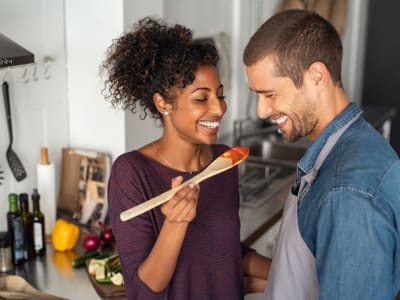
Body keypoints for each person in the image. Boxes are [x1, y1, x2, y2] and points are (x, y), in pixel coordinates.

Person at [102, 17, 269, 300]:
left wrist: (294, 273)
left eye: (220, 95)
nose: (219, 108)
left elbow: (223, 252)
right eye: (201, 99)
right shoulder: (131, 173)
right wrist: (175, 224)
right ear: (163, 104)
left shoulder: (223, 162)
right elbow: (144, 290)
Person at [243, 9, 400, 300]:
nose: (261, 111)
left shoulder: (347, 192)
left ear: (316, 76)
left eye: (270, 94)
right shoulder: (353, 144)